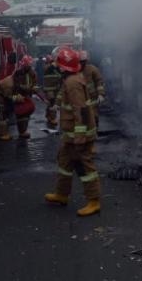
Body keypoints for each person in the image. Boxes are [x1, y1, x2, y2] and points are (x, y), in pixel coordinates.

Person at [45, 48, 100, 217]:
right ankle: (62, 194)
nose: (56, 66)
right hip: (70, 135)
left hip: (78, 136)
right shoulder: (71, 79)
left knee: (86, 167)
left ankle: (94, 201)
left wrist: (81, 136)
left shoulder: (72, 83)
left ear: (64, 66)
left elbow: (81, 111)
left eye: (58, 63)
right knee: (64, 162)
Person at [80, 51, 106, 127]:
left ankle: (94, 133)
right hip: (81, 99)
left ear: (87, 60)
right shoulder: (75, 70)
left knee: (94, 117)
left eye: (83, 61)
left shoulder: (92, 69)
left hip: (92, 99)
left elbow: (99, 82)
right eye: (80, 61)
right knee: (83, 119)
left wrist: (101, 94)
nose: (81, 63)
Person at [42, 55, 62, 128]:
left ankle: (48, 116)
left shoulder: (52, 68)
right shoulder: (51, 68)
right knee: (53, 102)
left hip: (51, 89)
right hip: (50, 89)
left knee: (50, 103)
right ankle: (53, 118)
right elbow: (59, 76)